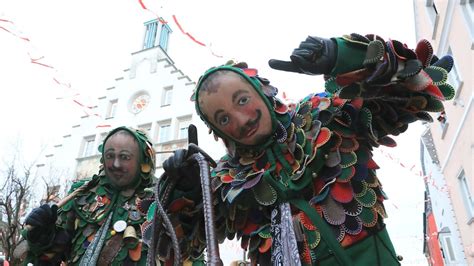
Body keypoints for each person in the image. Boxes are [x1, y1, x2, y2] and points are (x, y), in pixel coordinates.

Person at [152, 33, 456, 265]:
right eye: (223, 119)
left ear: (261, 92)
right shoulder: (226, 182)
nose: (242, 119)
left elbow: (412, 84)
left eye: (242, 100)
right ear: (218, 132)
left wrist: (340, 55)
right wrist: (185, 192)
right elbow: (171, 251)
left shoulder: (322, 116)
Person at [21, 126, 158, 265]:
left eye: (124, 157)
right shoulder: (82, 193)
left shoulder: (160, 197)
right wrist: (41, 234)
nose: (115, 164)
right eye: (110, 156)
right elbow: (51, 255)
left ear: (143, 161)